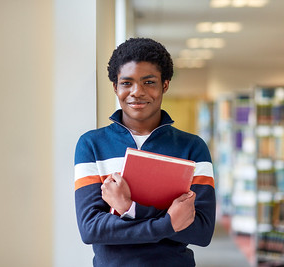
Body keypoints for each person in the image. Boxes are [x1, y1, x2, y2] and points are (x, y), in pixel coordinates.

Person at [74, 37, 216, 267]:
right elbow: (92, 229)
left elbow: (201, 231)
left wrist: (127, 208)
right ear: (115, 87)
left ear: (165, 85)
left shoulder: (192, 147)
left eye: (149, 82)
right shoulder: (91, 145)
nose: (137, 92)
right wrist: (169, 224)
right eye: (127, 83)